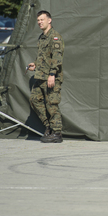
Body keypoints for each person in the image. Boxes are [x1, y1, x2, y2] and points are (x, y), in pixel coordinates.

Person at [27, 10, 64, 143]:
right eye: (38, 20)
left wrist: (52, 74)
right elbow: (43, 57)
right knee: (34, 100)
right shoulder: (42, 37)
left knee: (52, 104)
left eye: (42, 20)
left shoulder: (55, 37)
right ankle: (48, 127)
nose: (40, 22)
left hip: (51, 77)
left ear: (49, 20)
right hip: (40, 76)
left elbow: (57, 58)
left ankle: (57, 133)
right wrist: (35, 65)